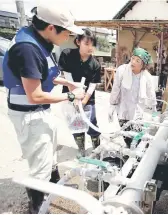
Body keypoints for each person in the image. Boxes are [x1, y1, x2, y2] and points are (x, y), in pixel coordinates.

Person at [2, 3, 84, 213]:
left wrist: (68, 84)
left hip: (40, 112)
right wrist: (72, 95)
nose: (69, 37)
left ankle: (54, 187)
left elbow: (44, 73)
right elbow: (35, 95)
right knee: (40, 165)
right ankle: (38, 206)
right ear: (50, 28)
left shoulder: (39, 40)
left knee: (51, 154)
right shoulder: (27, 48)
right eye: (66, 32)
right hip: (29, 115)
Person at [58, 28, 101, 158]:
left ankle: (97, 150)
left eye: (92, 44)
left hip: (87, 99)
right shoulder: (67, 54)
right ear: (78, 42)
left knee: (91, 124)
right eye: (86, 44)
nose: (90, 47)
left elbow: (93, 85)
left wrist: (83, 100)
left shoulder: (95, 64)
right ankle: (81, 149)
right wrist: (75, 98)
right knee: (76, 123)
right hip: (71, 96)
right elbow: (67, 78)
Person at [108, 47, 157, 146]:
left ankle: (135, 156)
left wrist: (154, 111)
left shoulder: (147, 77)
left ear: (143, 65)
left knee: (137, 137)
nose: (133, 62)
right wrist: (112, 105)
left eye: (137, 60)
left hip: (138, 111)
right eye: (133, 58)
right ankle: (129, 151)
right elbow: (116, 89)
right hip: (123, 109)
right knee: (126, 134)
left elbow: (151, 95)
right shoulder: (122, 70)